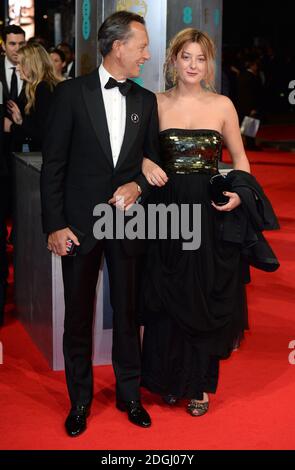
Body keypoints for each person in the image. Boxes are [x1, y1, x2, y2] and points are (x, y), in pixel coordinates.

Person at [40, 11, 160, 436]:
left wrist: (137, 186)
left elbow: (154, 161)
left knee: (127, 312)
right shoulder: (71, 94)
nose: (147, 54)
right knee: (78, 316)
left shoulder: (146, 101)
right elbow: (53, 166)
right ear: (117, 47)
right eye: (141, 46)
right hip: (78, 225)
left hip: (126, 224)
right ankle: (80, 402)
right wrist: (54, 225)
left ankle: (130, 395)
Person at [140, 28, 268, 416]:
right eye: (186, 57)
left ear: (208, 64)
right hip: (164, 213)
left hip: (208, 213)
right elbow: (138, 153)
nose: (193, 65)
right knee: (165, 291)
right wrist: (145, 162)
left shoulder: (223, 105)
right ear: (173, 60)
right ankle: (167, 378)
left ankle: (199, 385)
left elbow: (240, 158)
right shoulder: (154, 104)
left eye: (201, 58)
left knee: (202, 293)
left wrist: (239, 192)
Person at [0, 25, 26, 323]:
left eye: (20, 43)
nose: (16, 48)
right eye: (12, 43)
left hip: (23, 150)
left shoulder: (28, 71)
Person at [5, 43, 60, 151]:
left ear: (31, 64)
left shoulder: (43, 88)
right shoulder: (45, 86)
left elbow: (42, 132)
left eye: (20, 63)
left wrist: (14, 126)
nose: (17, 68)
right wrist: (20, 120)